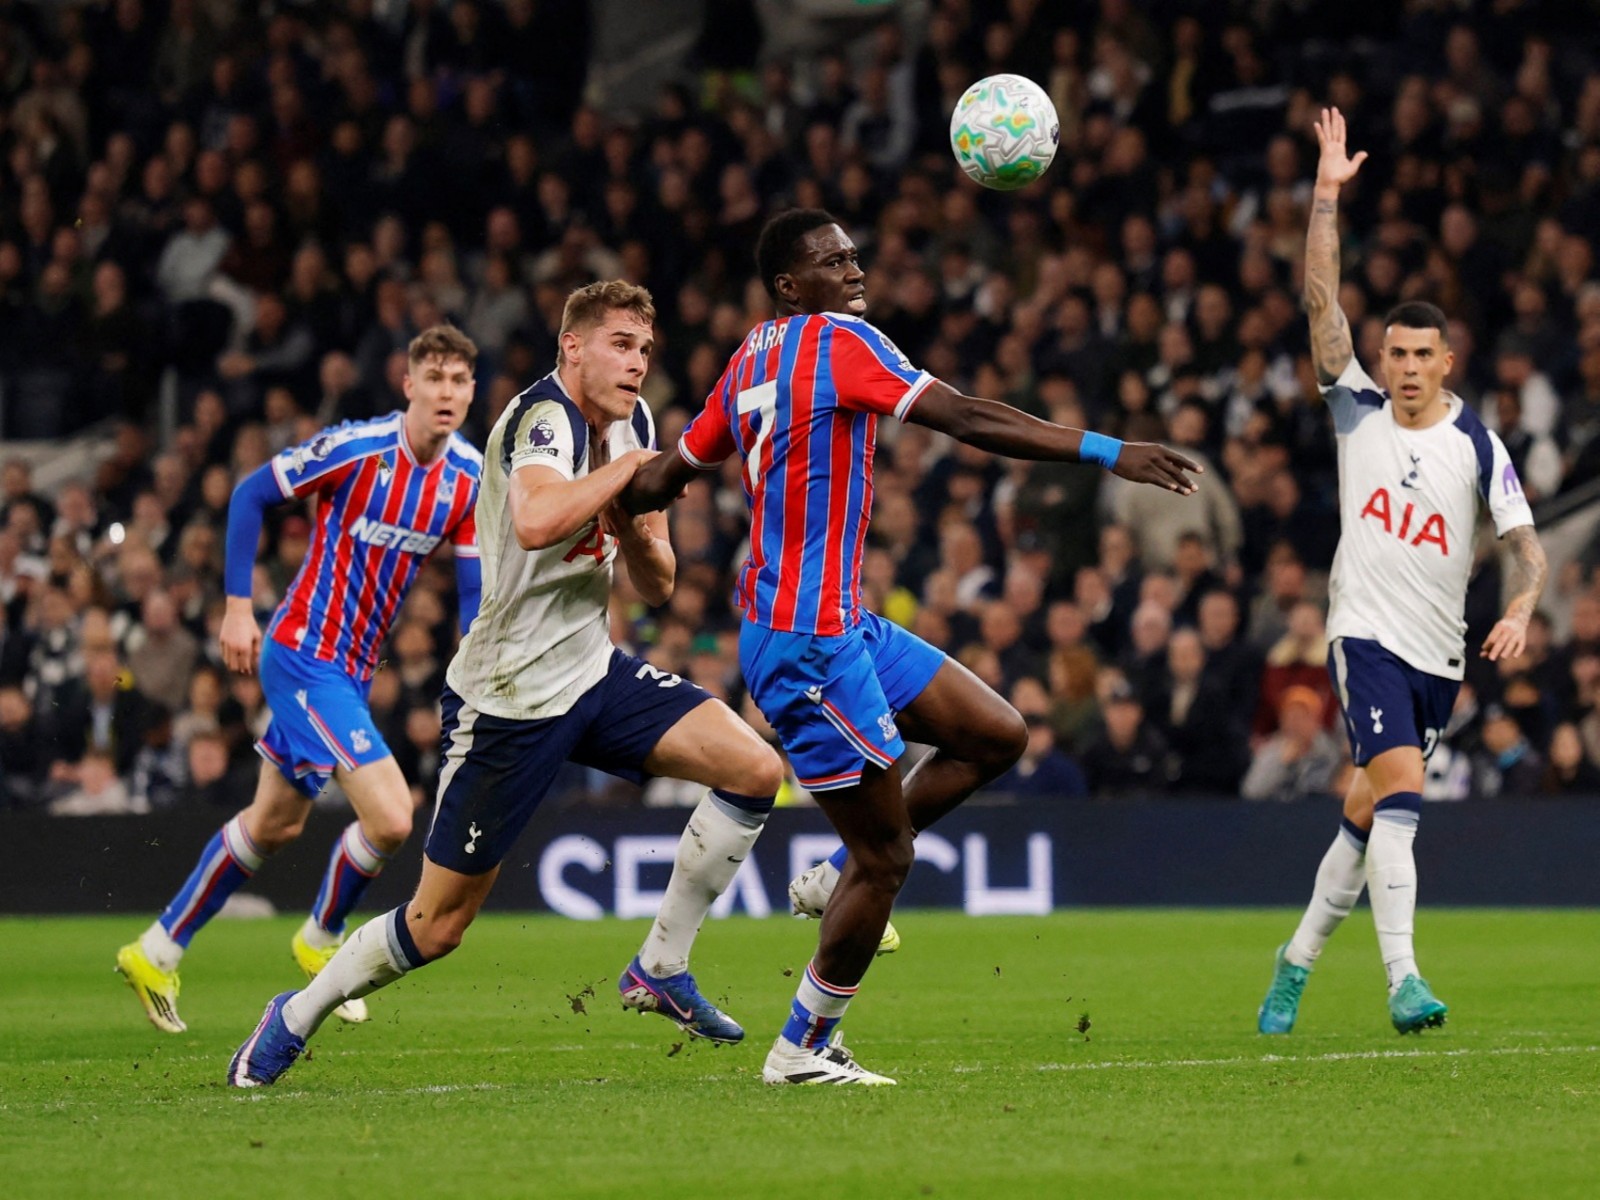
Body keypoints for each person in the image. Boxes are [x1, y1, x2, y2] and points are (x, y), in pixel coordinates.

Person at [624, 209, 1199, 1085]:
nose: (856, 270)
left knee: (997, 735)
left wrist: (614, 491)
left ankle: (828, 874)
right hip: (806, 642)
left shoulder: (748, 358)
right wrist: (1106, 449)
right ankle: (803, 1048)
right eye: (834, 260)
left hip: (841, 623)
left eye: (856, 255)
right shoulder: (840, 342)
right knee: (889, 857)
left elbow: (672, 470)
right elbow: (965, 418)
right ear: (790, 284)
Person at [227, 281, 784, 1088]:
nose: (638, 363)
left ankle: (660, 965)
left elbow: (658, 583)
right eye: (621, 344)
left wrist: (636, 519)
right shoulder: (541, 417)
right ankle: (297, 1013)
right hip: (508, 700)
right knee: (437, 926)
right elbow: (532, 519)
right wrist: (626, 473)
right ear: (573, 348)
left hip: (592, 671)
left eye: (644, 350)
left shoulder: (636, 425)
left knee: (754, 768)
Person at [1257, 110, 1546, 1037]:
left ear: (1448, 362)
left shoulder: (1479, 443)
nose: (1408, 367)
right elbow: (1318, 302)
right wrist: (1329, 194)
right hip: (1367, 637)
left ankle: (1294, 961)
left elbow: (1525, 543)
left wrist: (1528, 603)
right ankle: (1403, 981)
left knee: (1361, 807)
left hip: (1440, 658)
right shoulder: (1358, 412)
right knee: (1404, 803)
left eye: (1423, 354)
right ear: (1381, 360)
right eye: (1396, 353)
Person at [116, 325, 486, 1034]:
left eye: (459, 381)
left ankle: (156, 949)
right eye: (433, 378)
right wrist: (235, 607)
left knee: (274, 825)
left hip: (348, 667)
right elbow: (253, 493)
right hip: (301, 653)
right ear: (407, 384)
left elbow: (470, 590)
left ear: (472, 392)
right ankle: (321, 942)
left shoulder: (467, 477)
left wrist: (472, 659)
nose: (446, 393)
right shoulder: (356, 449)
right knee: (392, 816)